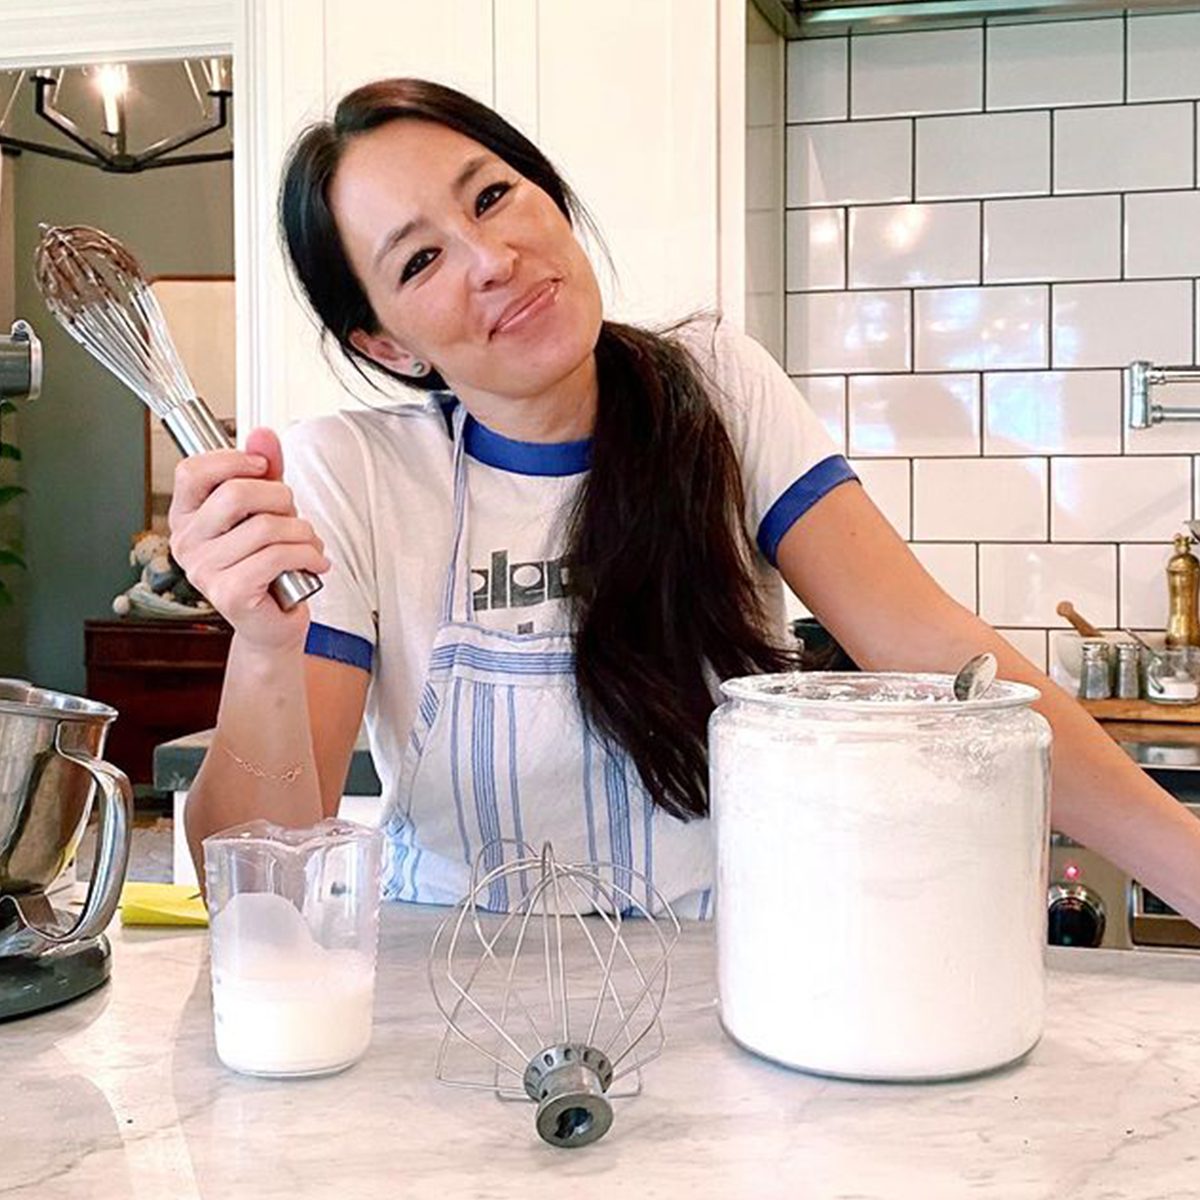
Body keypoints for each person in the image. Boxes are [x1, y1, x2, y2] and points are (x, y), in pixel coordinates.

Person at [171, 77, 1200, 924]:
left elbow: (939, 650)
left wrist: (1189, 866)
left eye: (492, 196)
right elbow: (257, 885)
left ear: (549, 196)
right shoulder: (349, 477)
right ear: (387, 343)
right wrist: (261, 649)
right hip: (443, 1003)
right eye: (422, 258)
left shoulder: (715, 389)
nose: (493, 261)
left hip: (728, 982)